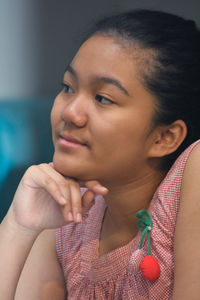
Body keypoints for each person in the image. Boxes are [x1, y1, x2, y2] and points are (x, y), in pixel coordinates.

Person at [1, 9, 200, 299]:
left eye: (103, 98)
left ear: (165, 137)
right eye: (68, 87)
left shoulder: (194, 171)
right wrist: (19, 226)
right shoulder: (64, 224)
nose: (69, 112)